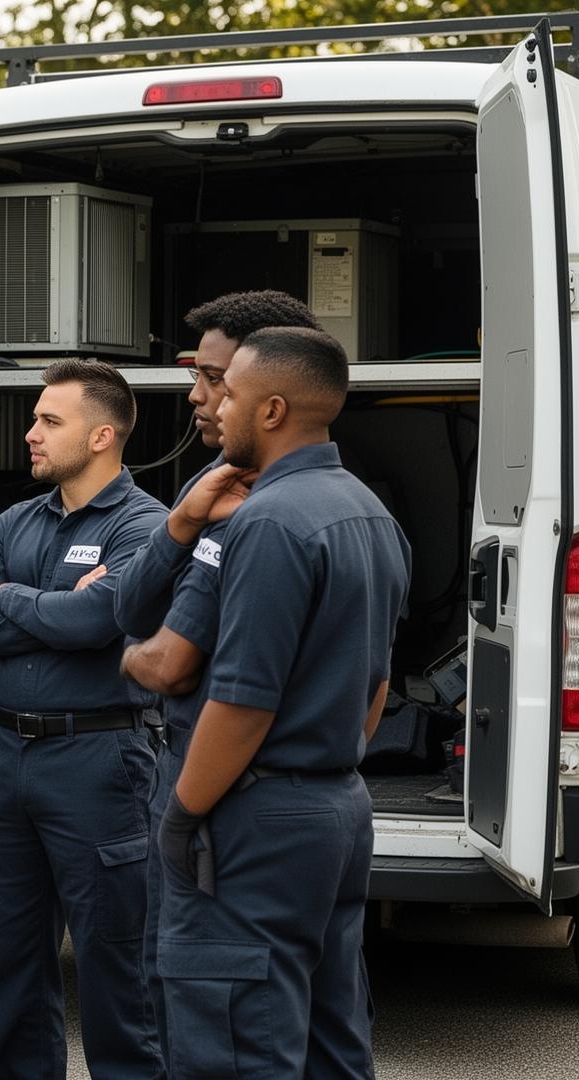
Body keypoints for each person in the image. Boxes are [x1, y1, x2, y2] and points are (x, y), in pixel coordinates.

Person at [154, 326, 410, 1079]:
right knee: (332, 1039)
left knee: (238, 1045)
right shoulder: (368, 510)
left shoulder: (267, 522)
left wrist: (182, 814)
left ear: (271, 411)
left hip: (255, 821)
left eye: (229, 393)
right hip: (337, 807)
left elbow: (242, 705)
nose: (215, 406)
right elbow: (377, 685)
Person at [112, 290, 323, 1059]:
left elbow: (166, 660)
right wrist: (180, 520)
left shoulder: (252, 513)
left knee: (209, 1019)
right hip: (315, 801)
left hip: (224, 800)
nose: (199, 398)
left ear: (267, 395)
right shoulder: (314, 498)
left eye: (215, 381)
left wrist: (125, 657)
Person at [0, 359, 167, 1080]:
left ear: (101, 436)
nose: (30, 434)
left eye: (49, 421)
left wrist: (11, 596)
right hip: (8, 756)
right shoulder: (17, 519)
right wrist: (55, 608)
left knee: (113, 955)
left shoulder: (146, 525)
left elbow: (98, 620)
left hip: (99, 760)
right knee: (6, 951)